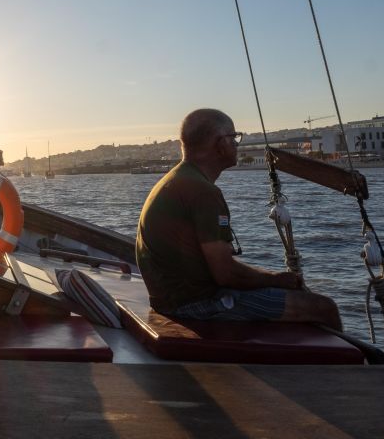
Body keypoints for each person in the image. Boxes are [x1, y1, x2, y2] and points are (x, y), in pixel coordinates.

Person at [136, 108, 342, 330]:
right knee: (324, 308)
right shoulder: (202, 192)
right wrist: (275, 280)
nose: (237, 144)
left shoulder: (177, 180)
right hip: (195, 304)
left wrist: (274, 279)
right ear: (220, 144)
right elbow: (225, 274)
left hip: (171, 299)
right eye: (234, 137)